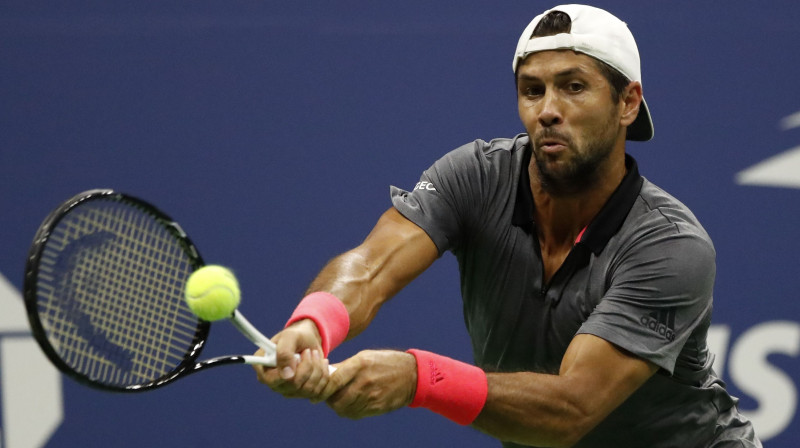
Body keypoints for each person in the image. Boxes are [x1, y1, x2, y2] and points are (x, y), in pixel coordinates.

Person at [254, 4, 762, 447]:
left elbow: (571, 409)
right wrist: (314, 324)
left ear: (628, 102)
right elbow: (369, 267)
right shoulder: (476, 176)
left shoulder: (670, 246)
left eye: (574, 87)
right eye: (532, 90)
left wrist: (418, 378)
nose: (548, 111)